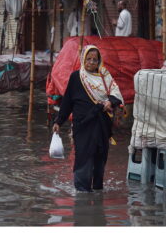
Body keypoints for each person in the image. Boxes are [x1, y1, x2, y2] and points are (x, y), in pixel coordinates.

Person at [52, 45, 124, 193]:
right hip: (82, 124)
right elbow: (67, 102)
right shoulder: (76, 77)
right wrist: (59, 121)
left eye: (95, 60)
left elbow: (116, 93)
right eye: (88, 59)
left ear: (99, 61)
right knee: (84, 155)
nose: (91, 62)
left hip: (101, 123)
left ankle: (97, 189)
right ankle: (82, 190)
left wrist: (110, 101)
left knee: (100, 155)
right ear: (83, 59)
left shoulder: (104, 77)